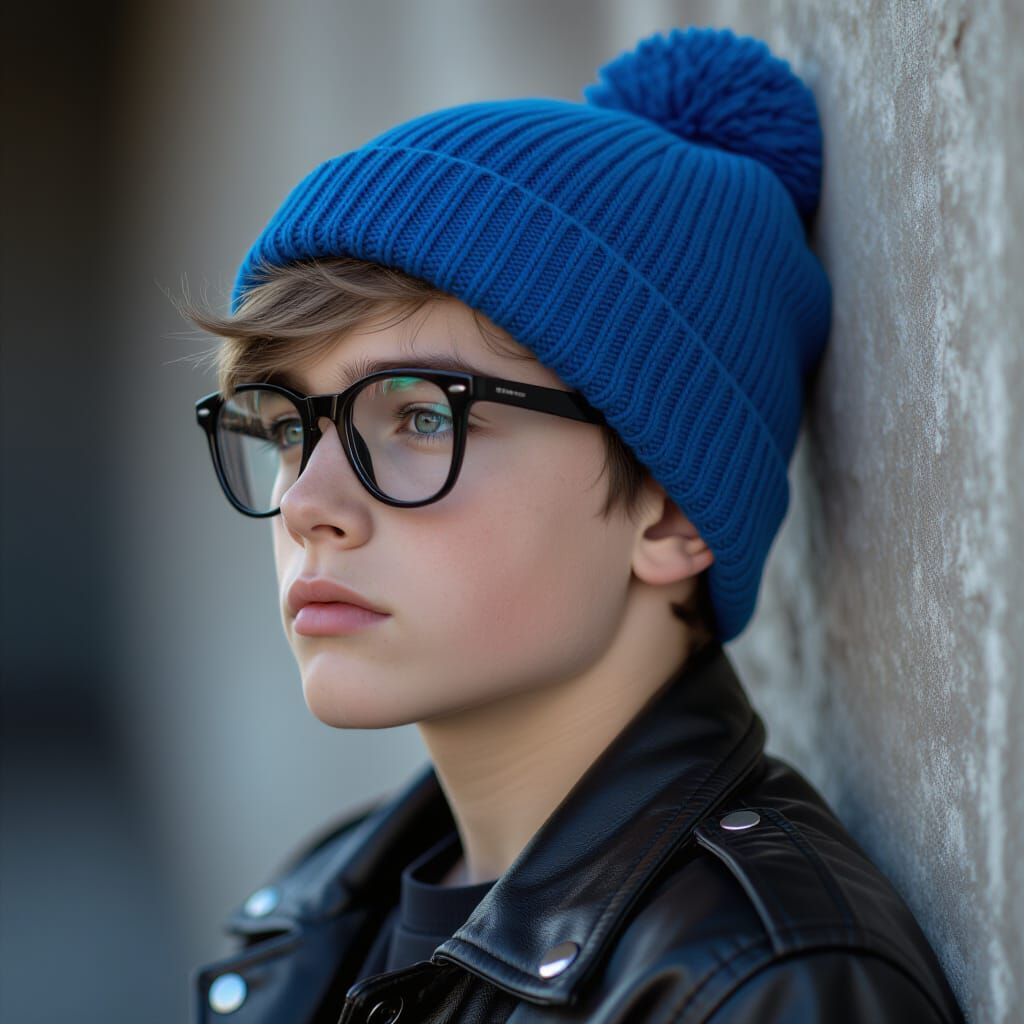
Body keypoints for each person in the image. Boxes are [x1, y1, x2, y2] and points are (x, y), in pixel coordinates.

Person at [182, 24, 964, 1023]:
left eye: (421, 418)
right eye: (290, 429)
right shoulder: (320, 904)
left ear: (668, 511)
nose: (306, 505)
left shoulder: (762, 986)